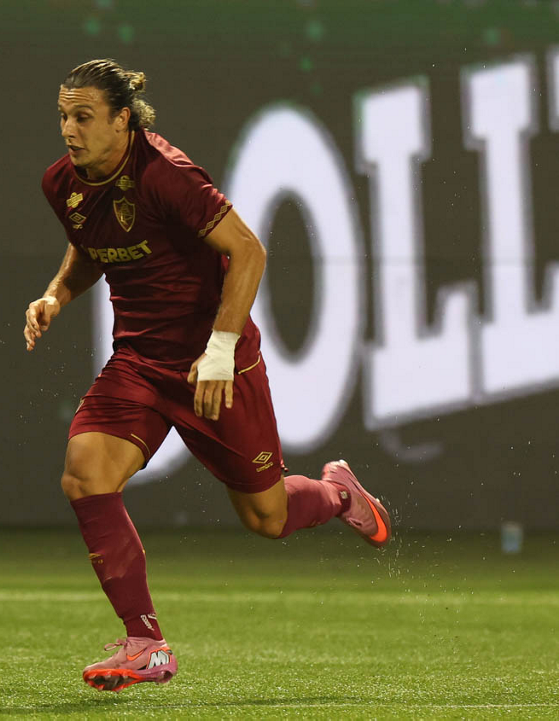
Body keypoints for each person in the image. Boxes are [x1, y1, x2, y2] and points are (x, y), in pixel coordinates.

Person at [23, 59, 392, 693]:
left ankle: (336, 494)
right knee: (85, 472)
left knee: (267, 517)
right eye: (63, 115)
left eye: (83, 116)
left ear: (122, 120)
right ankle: (147, 643)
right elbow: (90, 245)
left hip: (212, 364)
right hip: (139, 361)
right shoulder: (64, 183)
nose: (68, 129)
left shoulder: (167, 176)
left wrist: (220, 348)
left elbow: (248, 250)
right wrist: (57, 293)